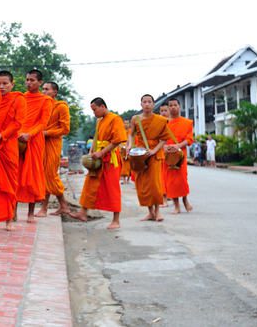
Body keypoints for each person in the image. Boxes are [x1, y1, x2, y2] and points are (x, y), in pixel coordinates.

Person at [69, 98, 127, 229]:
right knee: (90, 184)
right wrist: (92, 151)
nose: (94, 113)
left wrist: (101, 153)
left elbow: (117, 140)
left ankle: (116, 220)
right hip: (98, 157)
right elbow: (96, 138)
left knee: (112, 188)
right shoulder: (100, 121)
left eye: (95, 109)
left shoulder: (115, 119)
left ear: (102, 106)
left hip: (110, 158)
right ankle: (83, 213)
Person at [18, 69, 54, 223]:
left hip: (34, 140)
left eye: (32, 80)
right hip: (18, 138)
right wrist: (19, 132)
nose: (29, 83)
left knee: (32, 176)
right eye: (27, 79)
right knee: (15, 174)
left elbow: (43, 123)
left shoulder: (45, 101)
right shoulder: (20, 98)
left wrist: (29, 134)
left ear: (40, 82)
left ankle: (30, 213)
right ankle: (12, 213)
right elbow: (16, 118)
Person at [128, 94, 171, 222]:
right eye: (144, 102)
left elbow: (164, 139)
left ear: (153, 105)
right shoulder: (135, 119)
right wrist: (130, 145)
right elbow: (131, 135)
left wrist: (154, 151)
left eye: (149, 102)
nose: (147, 104)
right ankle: (150, 212)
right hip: (140, 155)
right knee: (143, 185)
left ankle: (158, 212)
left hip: (154, 154)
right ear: (141, 104)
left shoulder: (160, 120)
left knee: (155, 184)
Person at [0, 70, 25, 231]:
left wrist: (1, 136)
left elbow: (17, 124)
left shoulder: (18, 100)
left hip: (8, 146)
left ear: (12, 84)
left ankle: (9, 219)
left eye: (5, 83)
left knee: (10, 184)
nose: (1, 86)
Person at [36, 81, 70, 217]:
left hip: (53, 144)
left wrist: (46, 133)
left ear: (55, 92)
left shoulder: (61, 107)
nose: (43, 91)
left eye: (47, 89)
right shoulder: (41, 105)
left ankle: (48, 207)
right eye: (42, 89)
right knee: (43, 175)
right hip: (40, 144)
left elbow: (65, 129)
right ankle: (62, 205)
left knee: (50, 175)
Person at [164, 98, 194, 214]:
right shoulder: (164, 123)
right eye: (170, 105)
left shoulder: (187, 122)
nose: (172, 107)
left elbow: (189, 139)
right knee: (171, 181)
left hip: (181, 155)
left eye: (175, 105)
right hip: (168, 156)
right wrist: (165, 147)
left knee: (182, 179)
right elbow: (160, 139)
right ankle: (176, 205)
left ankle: (185, 199)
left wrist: (178, 146)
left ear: (179, 106)